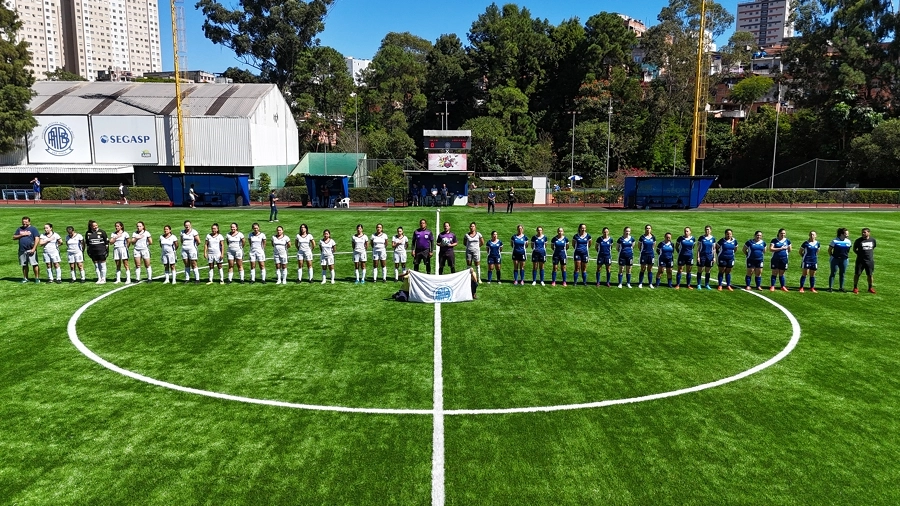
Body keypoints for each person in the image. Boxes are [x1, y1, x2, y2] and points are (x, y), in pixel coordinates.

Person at [13, 216, 40, 283]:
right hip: (22, 250)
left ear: (29, 222)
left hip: (30, 249)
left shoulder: (33, 229)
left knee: (34, 264)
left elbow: (37, 238)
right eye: (23, 222)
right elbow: (14, 237)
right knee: (24, 265)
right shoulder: (20, 229)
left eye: (26, 222)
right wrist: (22, 235)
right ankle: (25, 278)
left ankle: (37, 278)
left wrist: (34, 248)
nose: (24, 223)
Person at [852, 227, 876, 294]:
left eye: (865, 232)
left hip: (869, 261)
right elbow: (854, 249)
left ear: (869, 233)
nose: (863, 233)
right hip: (860, 261)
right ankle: (855, 287)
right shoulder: (858, 241)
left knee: (870, 275)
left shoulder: (873, 240)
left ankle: (870, 288)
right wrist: (859, 254)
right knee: (857, 274)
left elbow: (873, 247)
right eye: (862, 232)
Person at [827, 227, 851, 292]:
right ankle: (830, 287)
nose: (848, 234)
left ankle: (841, 287)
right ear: (842, 234)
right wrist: (832, 257)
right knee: (833, 273)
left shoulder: (848, 241)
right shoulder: (835, 241)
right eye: (846, 233)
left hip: (844, 260)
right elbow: (829, 250)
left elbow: (848, 250)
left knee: (842, 273)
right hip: (835, 259)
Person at [85, 220, 109, 284]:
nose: (95, 227)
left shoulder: (102, 232)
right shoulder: (88, 233)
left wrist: (106, 251)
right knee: (96, 265)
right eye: (94, 226)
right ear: (91, 226)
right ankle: (99, 278)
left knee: (102, 265)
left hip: (101, 251)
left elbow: (106, 243)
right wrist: (89, 251)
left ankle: (103, 278)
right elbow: (87, 243)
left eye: (96, 225)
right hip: (93, 252)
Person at [697, 225, 717, 290]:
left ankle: (707, 284)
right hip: (702, 256)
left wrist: (714, 257)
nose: (707, 231)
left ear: (711, 230)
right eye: (706, 229)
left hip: (709, 257)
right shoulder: (701, 238)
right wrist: (698, 257)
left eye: (708, 229)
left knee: (708, 271)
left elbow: (714, 249)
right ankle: (699, 284)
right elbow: (698, 248)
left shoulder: (713, 239)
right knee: (700, 270)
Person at [637, 224, 656, 288]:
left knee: (650, 269)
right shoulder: (642, 237)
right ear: (645, 229)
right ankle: (640, 283)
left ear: (651, 229)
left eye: (649, 228)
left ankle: (650, 283)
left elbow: (654, 245)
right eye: (647, 228)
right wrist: (643, 251)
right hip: (644, 255)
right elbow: (639, 246)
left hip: (651, 255)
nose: (648, 229)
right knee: (642, 269)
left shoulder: (653, 237)